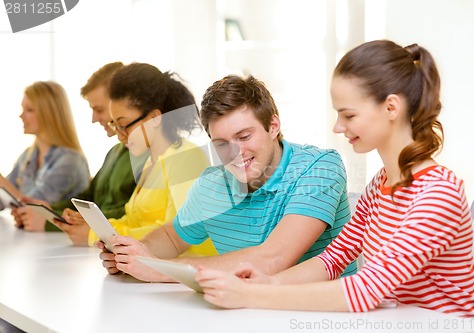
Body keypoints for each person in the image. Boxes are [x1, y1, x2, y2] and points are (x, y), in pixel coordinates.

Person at [194, 40, 474, 322]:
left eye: (348, 115)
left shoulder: (438, 192)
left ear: (391, 108)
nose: (338, 127)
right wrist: (270, 282)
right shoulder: (379, 185)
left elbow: (366, 290)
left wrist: (254, 295)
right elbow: (332, 259)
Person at [97, 74, 357, 282]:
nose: (236, 152)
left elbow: (272, 259)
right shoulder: (212, 184)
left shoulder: (320, 168)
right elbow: (171, 237)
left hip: (320, 315)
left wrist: (158, 268)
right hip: (241, 312)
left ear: (273, 126)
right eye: (221, 143)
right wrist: (132, 256)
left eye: (244, 137)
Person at [53, 62, 217, 256]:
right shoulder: (152, 162)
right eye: (114, 125)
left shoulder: (186, 159)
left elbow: (178, 237)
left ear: (154, 118)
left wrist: (94, 236)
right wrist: (95, 226)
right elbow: (135, 222)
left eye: (123, 125)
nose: (120, 135)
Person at [11, 62, 140, 236]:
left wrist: (52, 220)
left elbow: (132, 214)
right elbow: (89, 199)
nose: (94, 119)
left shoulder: (147, 156)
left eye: (99, 109)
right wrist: (48, 212)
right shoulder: (115, 152)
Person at [0, 81, 90, 229]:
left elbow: (34, 207)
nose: (21, 115)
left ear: (49, 114)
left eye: (29, 110)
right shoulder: (28, 156)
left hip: (62, 246)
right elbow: (3, 200)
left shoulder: (70, 161)